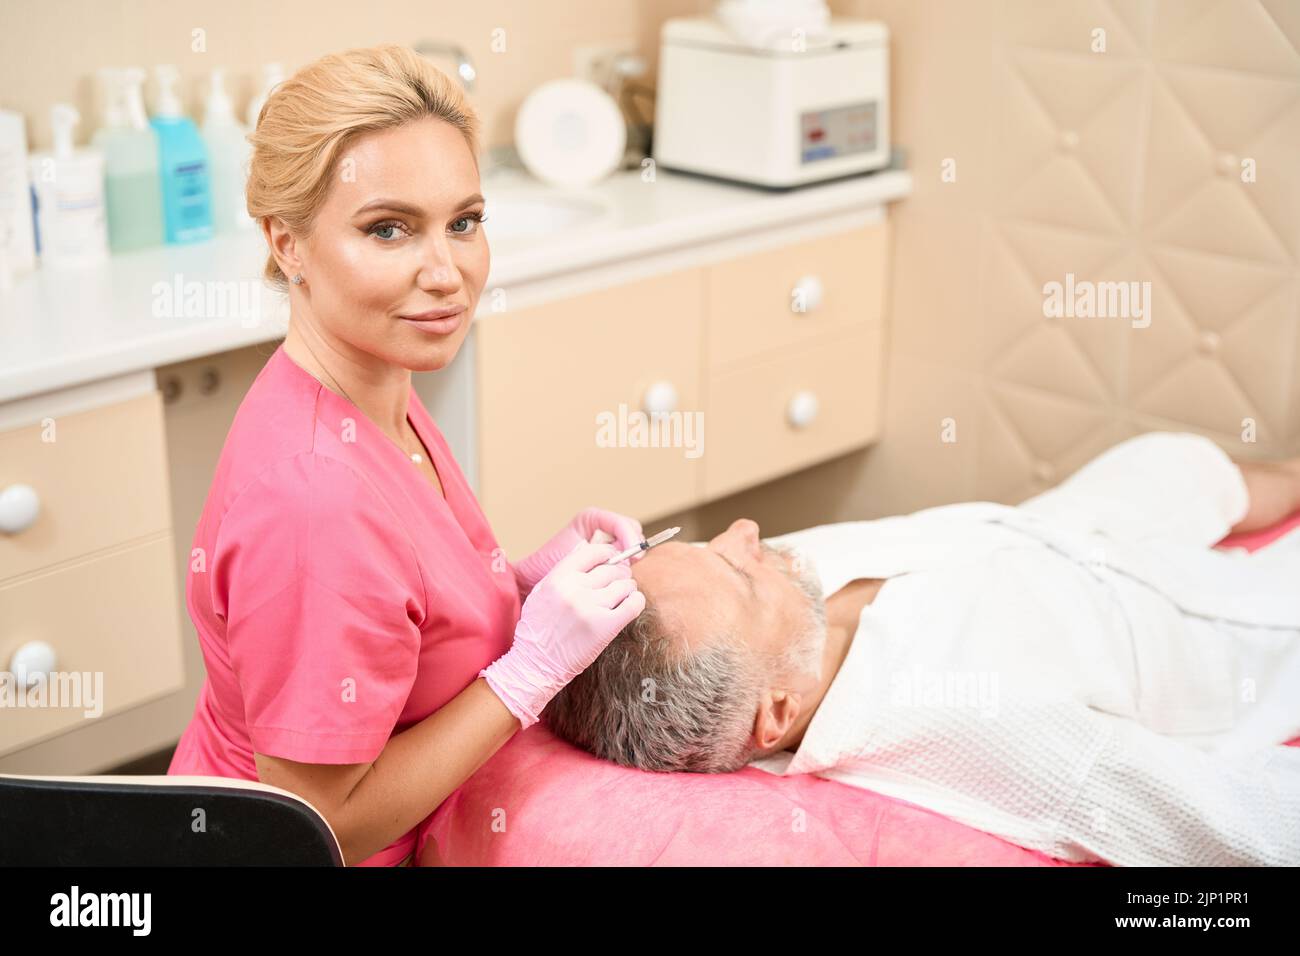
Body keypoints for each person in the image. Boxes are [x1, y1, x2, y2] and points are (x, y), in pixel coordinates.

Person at [167, 44, 646, 867]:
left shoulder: (374, 394)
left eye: (464, 222)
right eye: (388, 229)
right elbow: (316, 825)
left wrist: (528, 586)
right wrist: (525, 675)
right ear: (288, 244)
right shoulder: (315, 499)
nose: (446, 273)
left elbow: (400, 613)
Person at [543, 431, 1300, 865]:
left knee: (1177, 465)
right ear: (775, 714)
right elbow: (1249, 828)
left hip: (1054, 527)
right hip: (1192, 616)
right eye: (739, 571)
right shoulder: (987, 727)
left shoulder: (776, 616)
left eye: (710, 543)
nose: (746, 531)